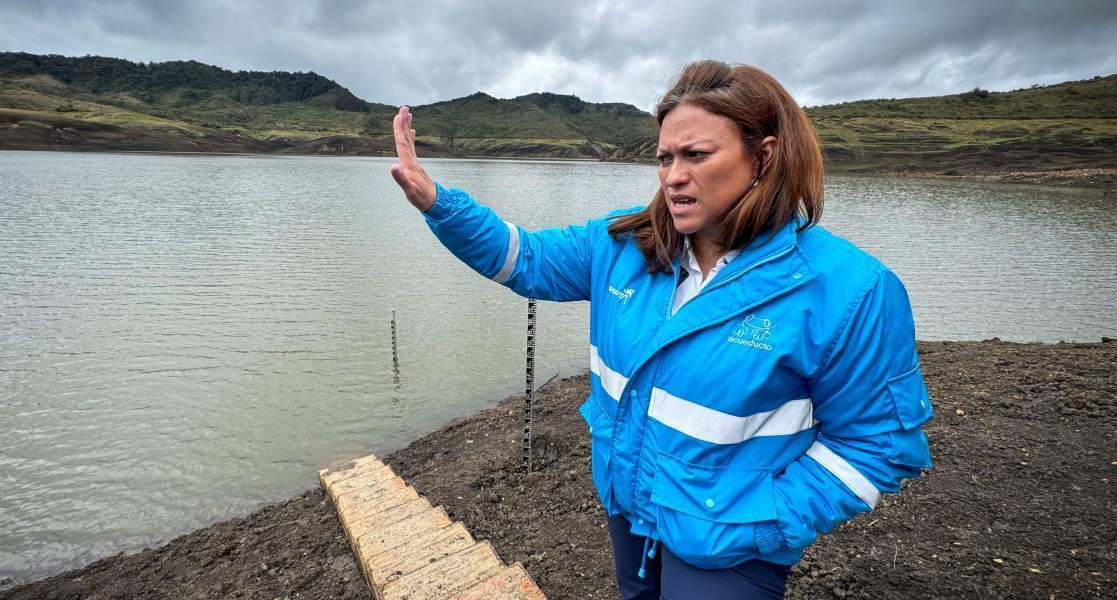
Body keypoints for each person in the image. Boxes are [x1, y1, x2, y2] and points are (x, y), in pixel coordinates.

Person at [389, 60, 932, 600]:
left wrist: (762, 522)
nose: (673, 176)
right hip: (630, 503)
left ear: (762, 157)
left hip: (728, 547)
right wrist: (439, 204)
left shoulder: (851, 289)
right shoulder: (621, 244)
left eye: (696, 155)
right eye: (666, 157)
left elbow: (877, 444)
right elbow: (524, 257)